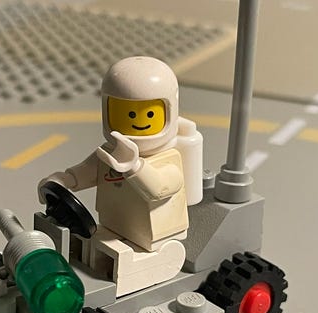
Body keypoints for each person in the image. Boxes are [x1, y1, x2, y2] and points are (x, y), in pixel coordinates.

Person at [39, 56, 202, 296]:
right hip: (111, 226)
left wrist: (135, 166)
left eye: (149, 114)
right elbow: (87, 172)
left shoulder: (168, 160)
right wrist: (65, 179)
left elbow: (159, 188)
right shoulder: (111, 153)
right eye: (127, 114)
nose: (137, 123)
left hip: (154, 242)